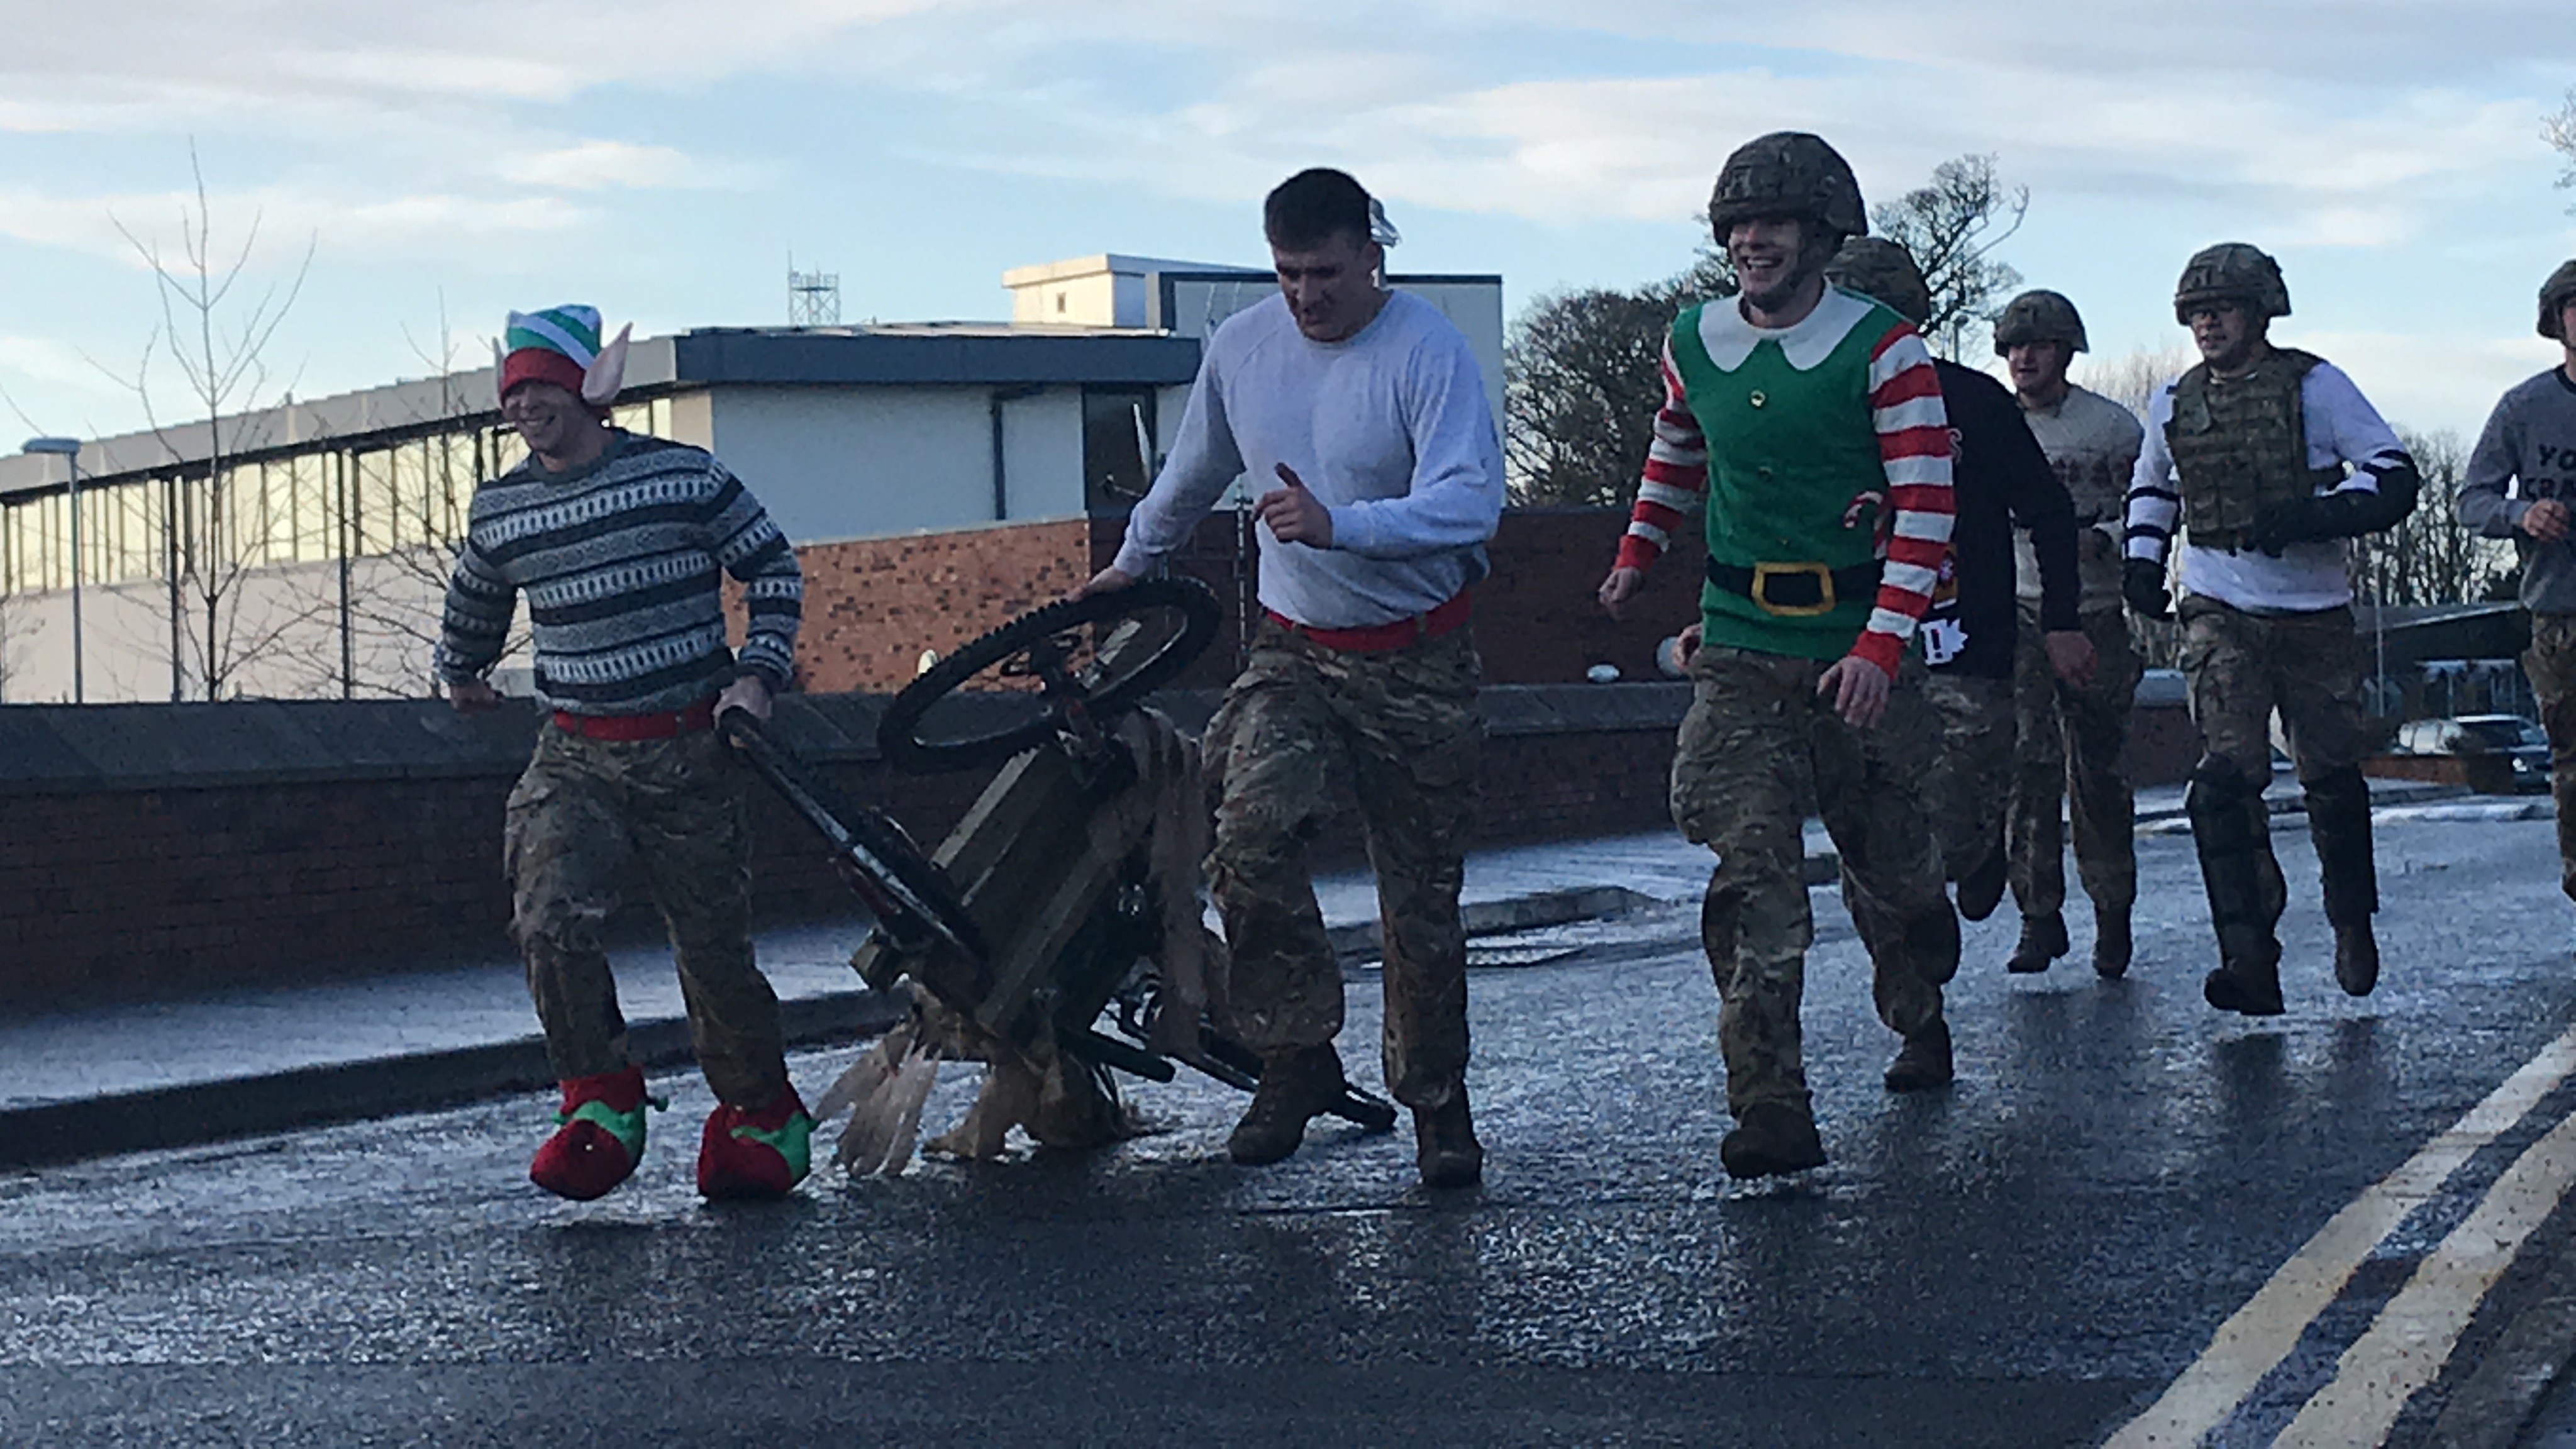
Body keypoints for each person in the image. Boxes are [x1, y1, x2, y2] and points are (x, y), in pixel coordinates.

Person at [1078, 169, 1504, 1189]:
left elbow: (1470, 504)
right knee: (1247, 831)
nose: (1305, 296)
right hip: (1298, 650)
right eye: (1285, 275)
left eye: (1322, 272)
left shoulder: (1426, 352)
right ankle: (1295, 1051)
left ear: (1371, 255)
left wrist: (1342, 525)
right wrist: (1134, 562)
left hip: (1419, 655)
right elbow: (1195, 469)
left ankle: (1438, 1101)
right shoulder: (1244, 348)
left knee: (1421, 898)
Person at [1598, 133, 1957, 1180]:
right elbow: (1677, 441)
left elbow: (1929, 510)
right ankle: (1770, 1101)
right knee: (1751, 867)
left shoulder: (1886, 350)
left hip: (1858, 638)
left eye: (1775, 225)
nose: (1752, 242)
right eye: (1738, 227)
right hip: (1741, 639)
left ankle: (1919, 987)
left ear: (1822, 236)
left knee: (1891, 865)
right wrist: (1638, 550)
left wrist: (1882, 648)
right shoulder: (1692, 338)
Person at [436, 305, 814, 1202]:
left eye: (542, 388)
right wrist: (462, 671)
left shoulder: (682, 478)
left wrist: (756, 677)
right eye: (513, 392)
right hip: (574, 754)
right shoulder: (503, 508)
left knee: (714, 951)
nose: (526, 406)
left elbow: (773, 570)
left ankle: (762, 1115)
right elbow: (477, 596)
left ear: (588, 391)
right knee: (548, 917)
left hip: (693, 749)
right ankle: (599, 1100)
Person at [2124, 245, 2419, 1015]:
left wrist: (2320, 514)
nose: (2206, 322)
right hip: (2219, 606)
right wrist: (2142, 565)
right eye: (2195, 311)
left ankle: (2350, 920)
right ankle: (2248, 954)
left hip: (2313, 613)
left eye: (2220, 308)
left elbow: (2392, 475)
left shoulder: (2316, 387)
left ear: (2260, 314)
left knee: (2328, 776)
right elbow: (2153, 488)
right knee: (2222, 782)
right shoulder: (2171, 402)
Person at [1823, 242, 2090, 952]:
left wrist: (2061, 621)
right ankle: (1913, 996)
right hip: (1856, 651)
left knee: (1957, 812)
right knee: (1871, 825)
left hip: (1966, 647)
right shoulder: (1813, 403)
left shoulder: (1972, 401)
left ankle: (1976, 855)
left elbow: (2048, 510)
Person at [1996, 289, 2148, 977]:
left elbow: (2152, 511)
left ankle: (2111, 913)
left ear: (2065, 352)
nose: (2024, 359)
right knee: (2025, 767)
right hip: (2016, 608)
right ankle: (2037, 916)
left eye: (2038, 346)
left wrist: (2106, 540)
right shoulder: (1987, 425)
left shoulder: (2113, 430)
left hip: (2093, 613)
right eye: (2013, 347)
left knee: (2097, 773)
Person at [2457, 259, 2576, 913]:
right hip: (2561, 612)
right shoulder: (2524, 408)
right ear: (2555, 318)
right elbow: (2470, 499)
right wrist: (2520, 515)